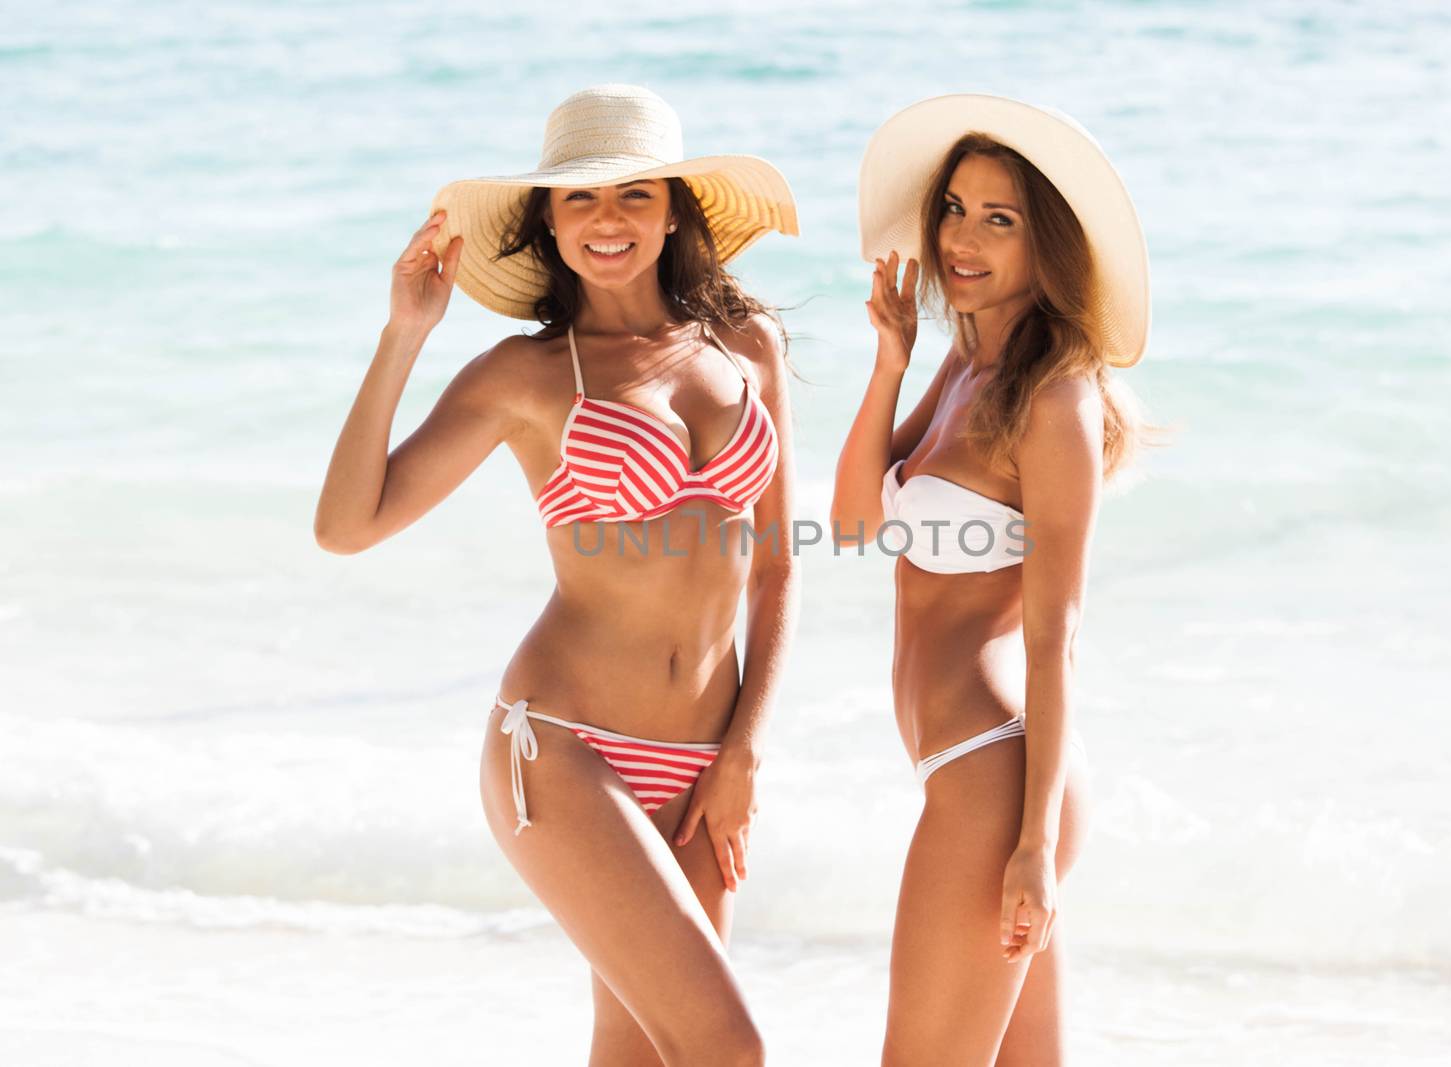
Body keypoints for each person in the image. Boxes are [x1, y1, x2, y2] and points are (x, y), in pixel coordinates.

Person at [314, 84, 800, 1067]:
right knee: (726, 1045)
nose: (607, 220)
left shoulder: (747, 344)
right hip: (564, 749)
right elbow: (346, 526)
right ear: (548, 222)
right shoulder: (523, 376)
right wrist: (404, 334)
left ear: (674, 210)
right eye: (578, 199)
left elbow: (777, 561)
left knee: (643, 1051)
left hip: (705, 755)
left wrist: (743, 746)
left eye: (632, 195)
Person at [832, 93, 1160, 1065]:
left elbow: (1056, 631)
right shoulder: (966, 360)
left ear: (1045, 244)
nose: (961, 238)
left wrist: (1029, 845)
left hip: (998, 777)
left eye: (998, 218)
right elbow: (855, 522)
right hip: (977, 768)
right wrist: (889, 361)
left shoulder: (1054, 395)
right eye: (953, 209)